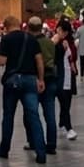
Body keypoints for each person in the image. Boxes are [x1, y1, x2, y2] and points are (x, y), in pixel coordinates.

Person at [0, 15, 46, 163]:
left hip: (13, 81)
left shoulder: (7, 39)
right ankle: (40, 152)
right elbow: (39, 61)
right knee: (34, 116)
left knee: (8, 116)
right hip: (30, 80)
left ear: (7, 26)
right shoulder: (31, 38)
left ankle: (4, 149)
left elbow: (2, 62)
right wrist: (41, 79)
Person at [26, 16, 58, 155]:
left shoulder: (30, 43)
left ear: (28, 27)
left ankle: (34, 142)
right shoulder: (50, 42)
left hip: (35, 79)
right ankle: (51, 144)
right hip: (51, 78)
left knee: (31, 113)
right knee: (50, 113)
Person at [53, 18, 78, 140]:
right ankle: (69, 128)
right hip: (60, 77)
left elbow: (72, 59)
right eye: (58, 29)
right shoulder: (55, 42)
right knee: (64, 102)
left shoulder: (69, 44)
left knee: (66, 104)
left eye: (61, 30)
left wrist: (74, 68)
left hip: (69, 77)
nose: (58, 32)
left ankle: (62, 123)